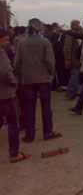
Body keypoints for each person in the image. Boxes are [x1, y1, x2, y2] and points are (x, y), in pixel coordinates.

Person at [15, 18, 63, 142]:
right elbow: (49, 61)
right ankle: (48, 132)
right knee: (46, 106)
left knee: (29, 107)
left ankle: (29, 135)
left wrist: (21, 75)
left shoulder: (22, 43)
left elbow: (17, 63)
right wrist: (50, 73)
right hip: (44, 79)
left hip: (28, 80)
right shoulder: (45, 42)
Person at [0, 29, 30, 163]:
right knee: (13, 123)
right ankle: (14, 153)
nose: (7, 43)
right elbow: (5, 71)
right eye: (5, 40)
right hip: (5, 93)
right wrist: (14, 82)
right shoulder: (1, 53)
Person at [64, 20, 82, 100]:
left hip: (79, 59)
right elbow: (67, 47)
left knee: (77, 76)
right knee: (74, 75)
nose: (78, 26)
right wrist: (67, 58)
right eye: (77, 24)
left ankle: (74, 90)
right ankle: (70, 92)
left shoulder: (79, 34)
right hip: (73, 59)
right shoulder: (70, 35)